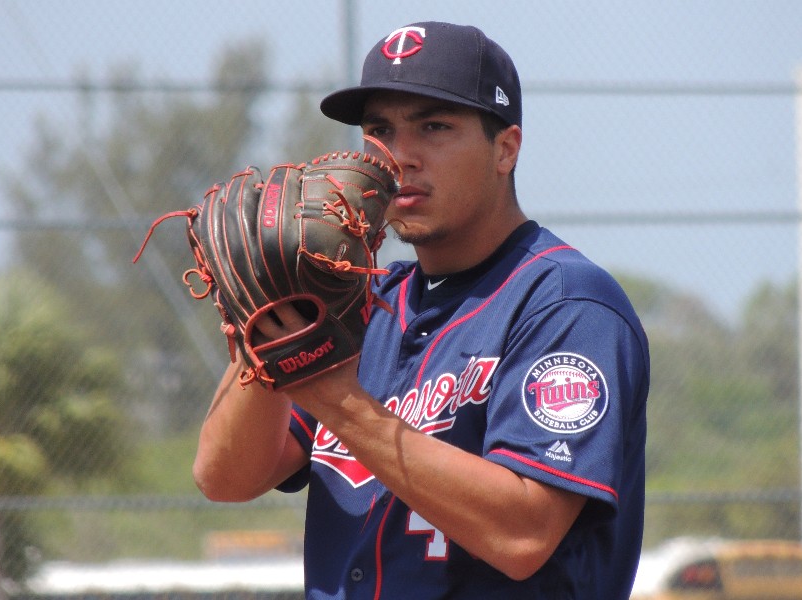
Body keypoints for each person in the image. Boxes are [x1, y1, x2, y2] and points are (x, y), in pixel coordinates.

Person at [193, 21, 650, 599]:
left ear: (505, 148)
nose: (399, 158)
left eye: (434, 127)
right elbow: (225, 477)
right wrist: (267, 324)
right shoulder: (357, 300)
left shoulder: (565, 303)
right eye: (380, 130)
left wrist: (329, 393)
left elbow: (524, 533)